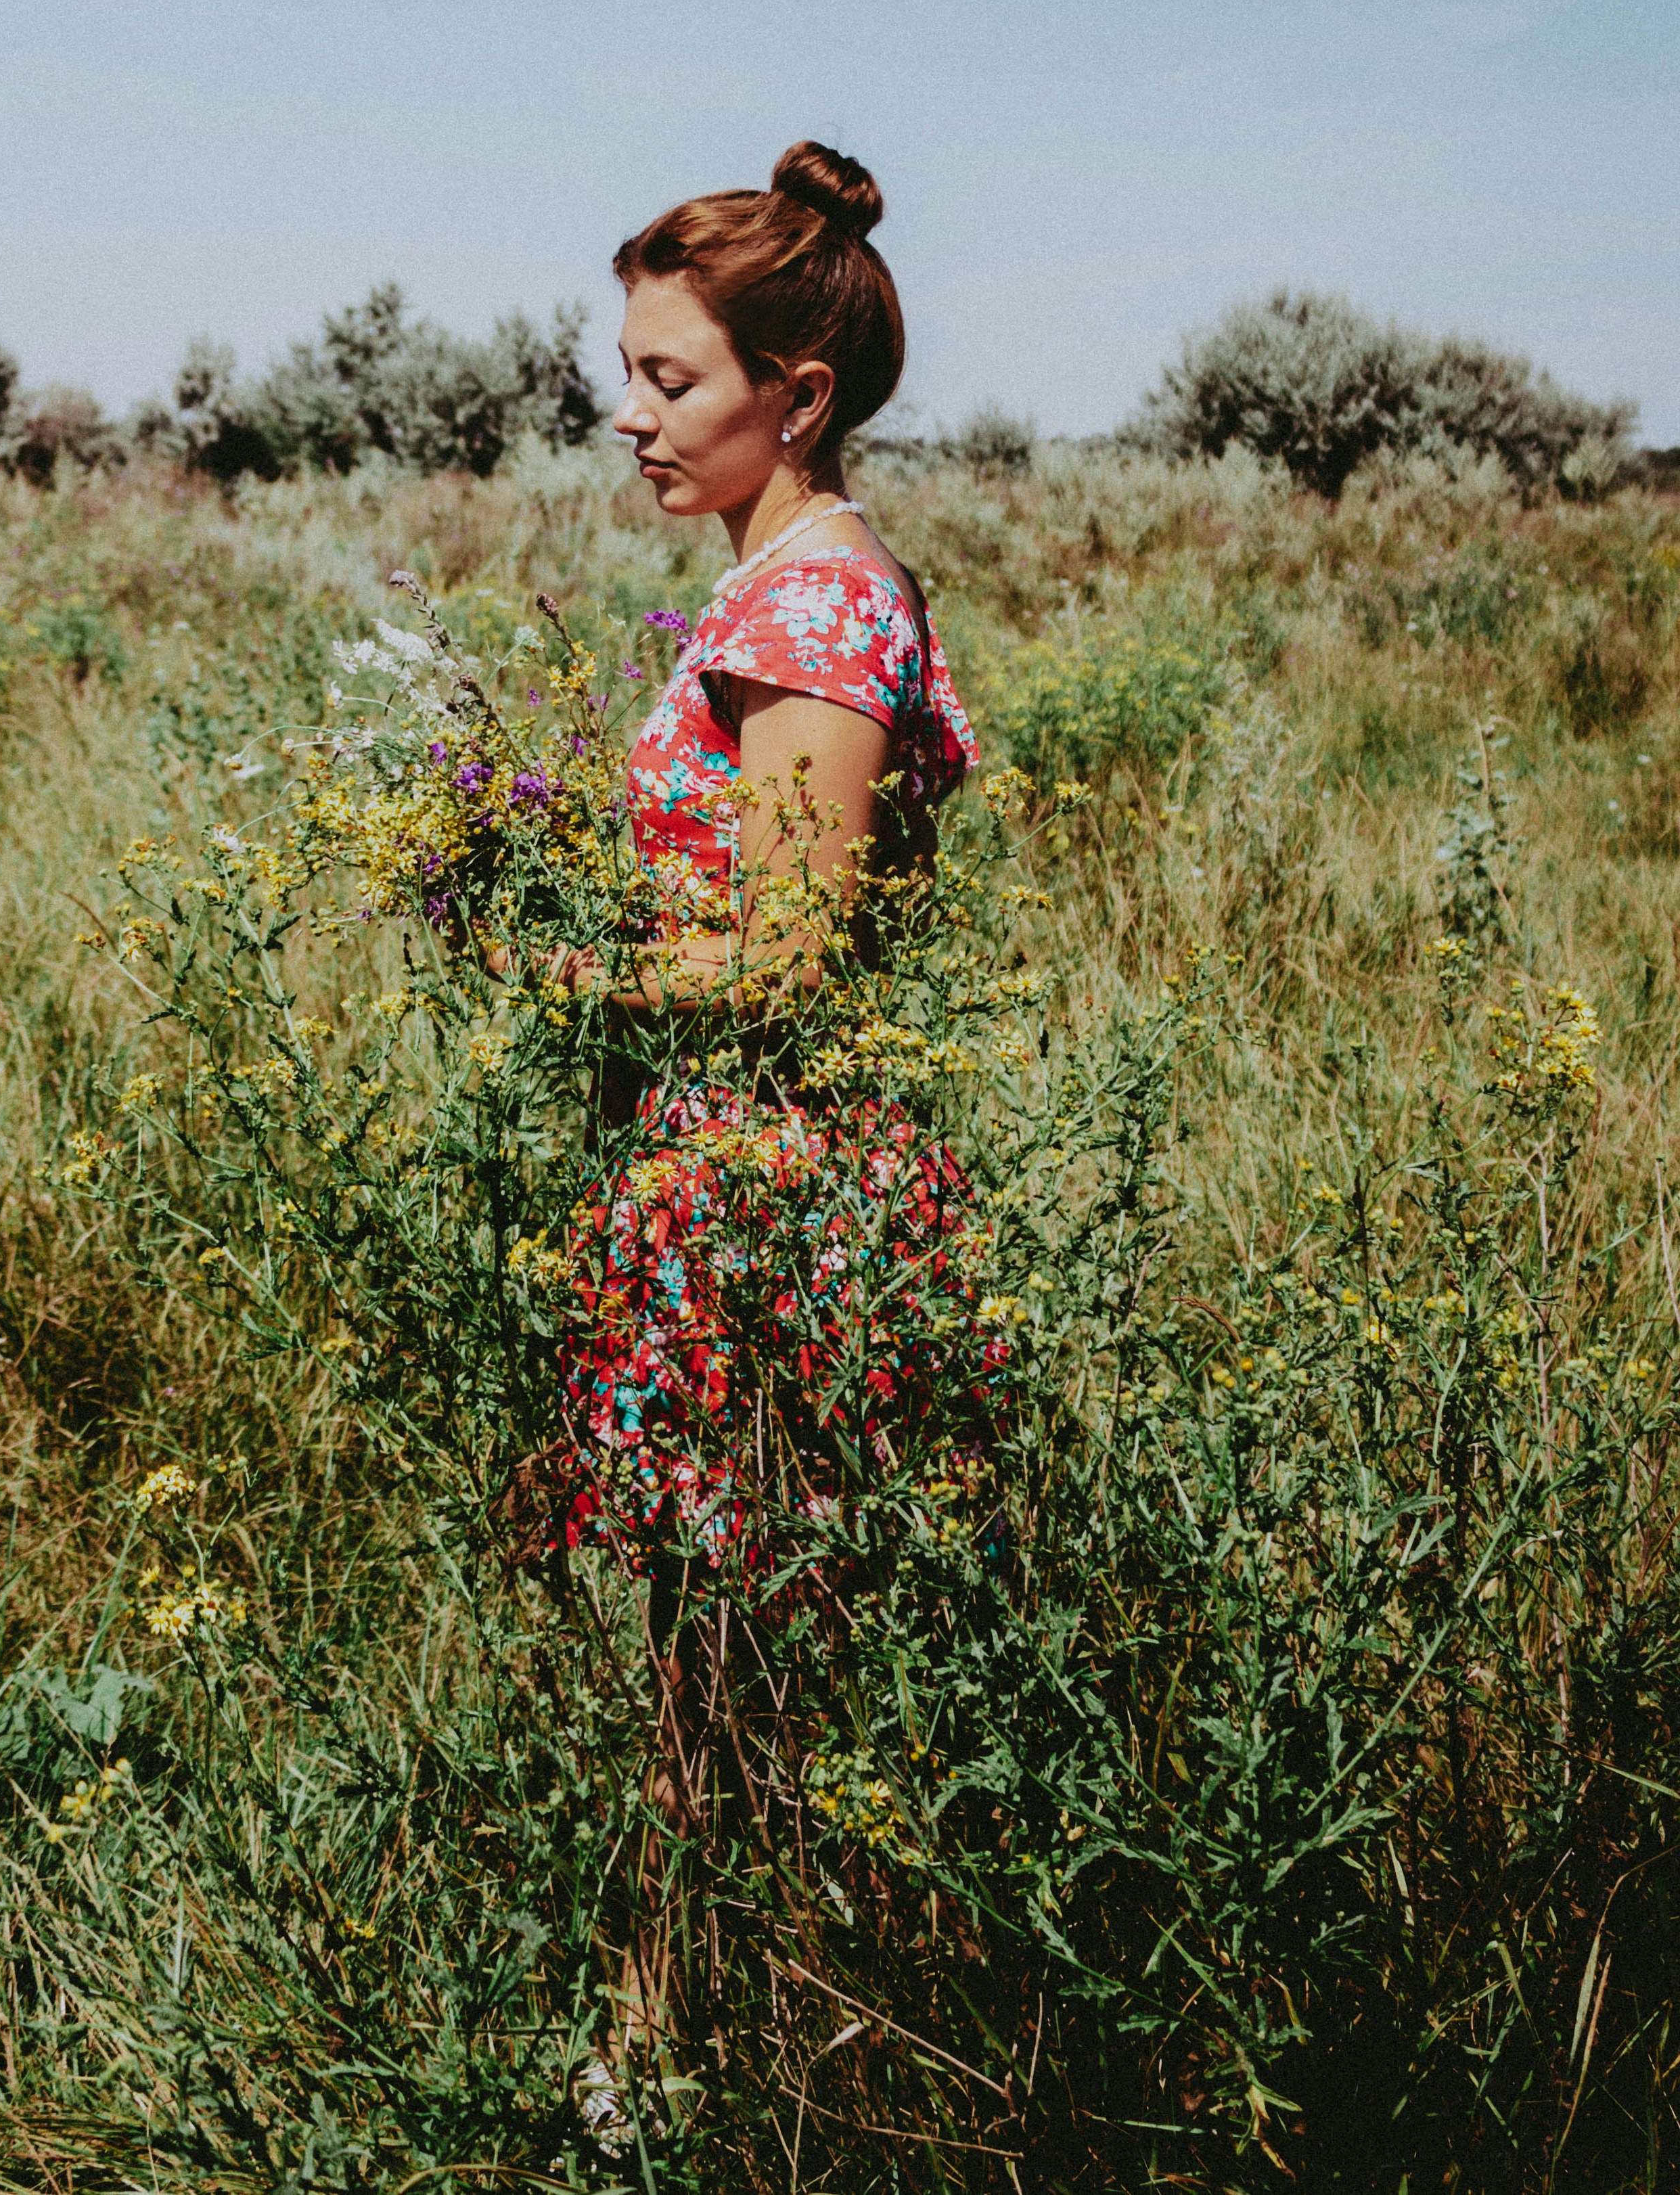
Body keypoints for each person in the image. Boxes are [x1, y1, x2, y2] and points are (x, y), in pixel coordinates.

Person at [558, 141, 982, 2129]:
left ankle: (689, 2071)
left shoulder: (813, 607)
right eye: (628, 374)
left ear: (791, 398)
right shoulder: (790, 583)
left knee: (731, 1669)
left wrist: (553, 963)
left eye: (672, 380)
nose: (628, 415)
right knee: (731, 1657)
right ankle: (750, 2038)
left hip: (772, 1184)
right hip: (736, 1172)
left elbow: (792, 967)